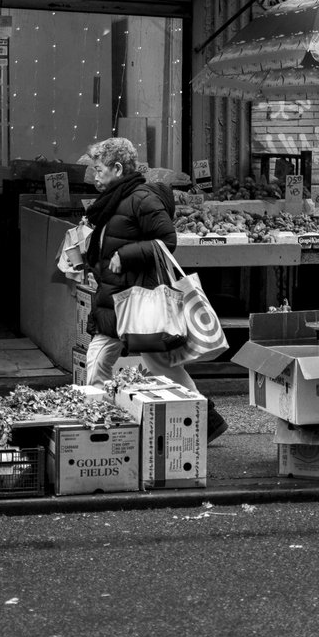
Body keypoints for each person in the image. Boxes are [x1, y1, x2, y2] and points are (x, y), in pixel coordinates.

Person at [81, 137, 227, 443]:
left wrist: (127, 254)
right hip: (118, 297)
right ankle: (106, 427)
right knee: (108, 363)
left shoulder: (141, 199)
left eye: (99, 168)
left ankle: (101, 430)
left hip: (138, 300)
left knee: (152, 365)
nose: (94, 175)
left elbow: (166, 241)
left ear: (117, 168)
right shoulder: (113, 201)